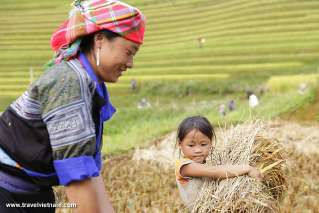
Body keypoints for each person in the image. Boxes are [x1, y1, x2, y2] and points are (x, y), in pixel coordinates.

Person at [0, 0, 145, 212]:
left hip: (32, 194)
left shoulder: (91, 86)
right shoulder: (68, 83)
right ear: (100, 40)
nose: (131, 63)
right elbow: (77, 175)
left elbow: (90, 172)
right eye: (129, 52)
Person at [175, 116, 263, 211]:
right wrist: (247, 169)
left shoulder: (205, 163)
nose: (198, 150)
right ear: (180, 144)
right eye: (191, 145)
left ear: (211, 143)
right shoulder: (184, 166)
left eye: (203, 144)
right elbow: (214, 171)